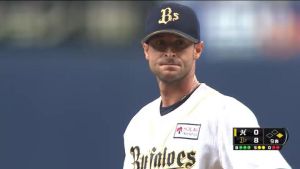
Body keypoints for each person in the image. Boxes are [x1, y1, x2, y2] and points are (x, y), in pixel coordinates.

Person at [123, 2, 291, 169]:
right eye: (160, 44)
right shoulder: (138, 124)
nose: (169, 52)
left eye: (179, 43)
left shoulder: (228, 113)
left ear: (198, 49)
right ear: (146, 50)